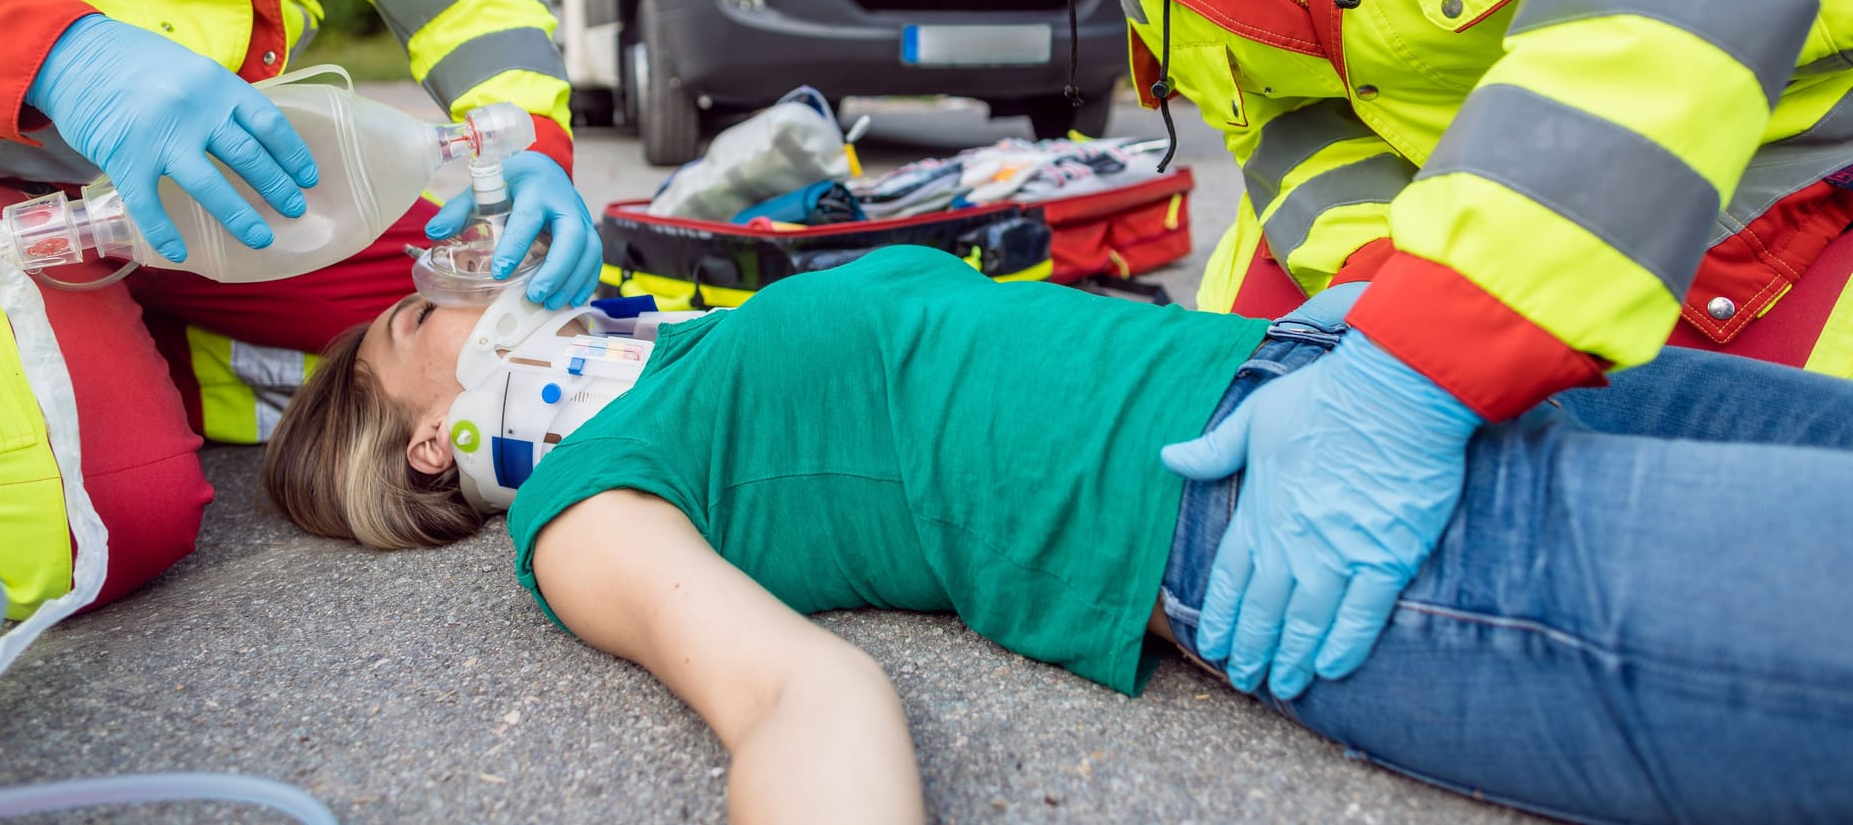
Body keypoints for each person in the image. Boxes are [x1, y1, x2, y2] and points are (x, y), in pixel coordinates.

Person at [265, 246, 1853, 825]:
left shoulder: (677, 352)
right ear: (424, 433)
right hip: (1284, 534)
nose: (468, 293)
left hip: (1371, 375)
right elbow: (797, 703)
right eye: (425, 312)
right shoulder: (578, 504)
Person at [997, 0, 1853, 696]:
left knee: (1739, 596)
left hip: (1769, 187)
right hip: (1435, 218)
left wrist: (1419, 365)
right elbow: (1285, 114)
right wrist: (1373, 286)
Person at [0, 0, 599, 618]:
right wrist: (45, 52)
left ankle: (134, 339)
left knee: (450, 289)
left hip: (206, 167)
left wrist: (527, 132)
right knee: (98, 523)